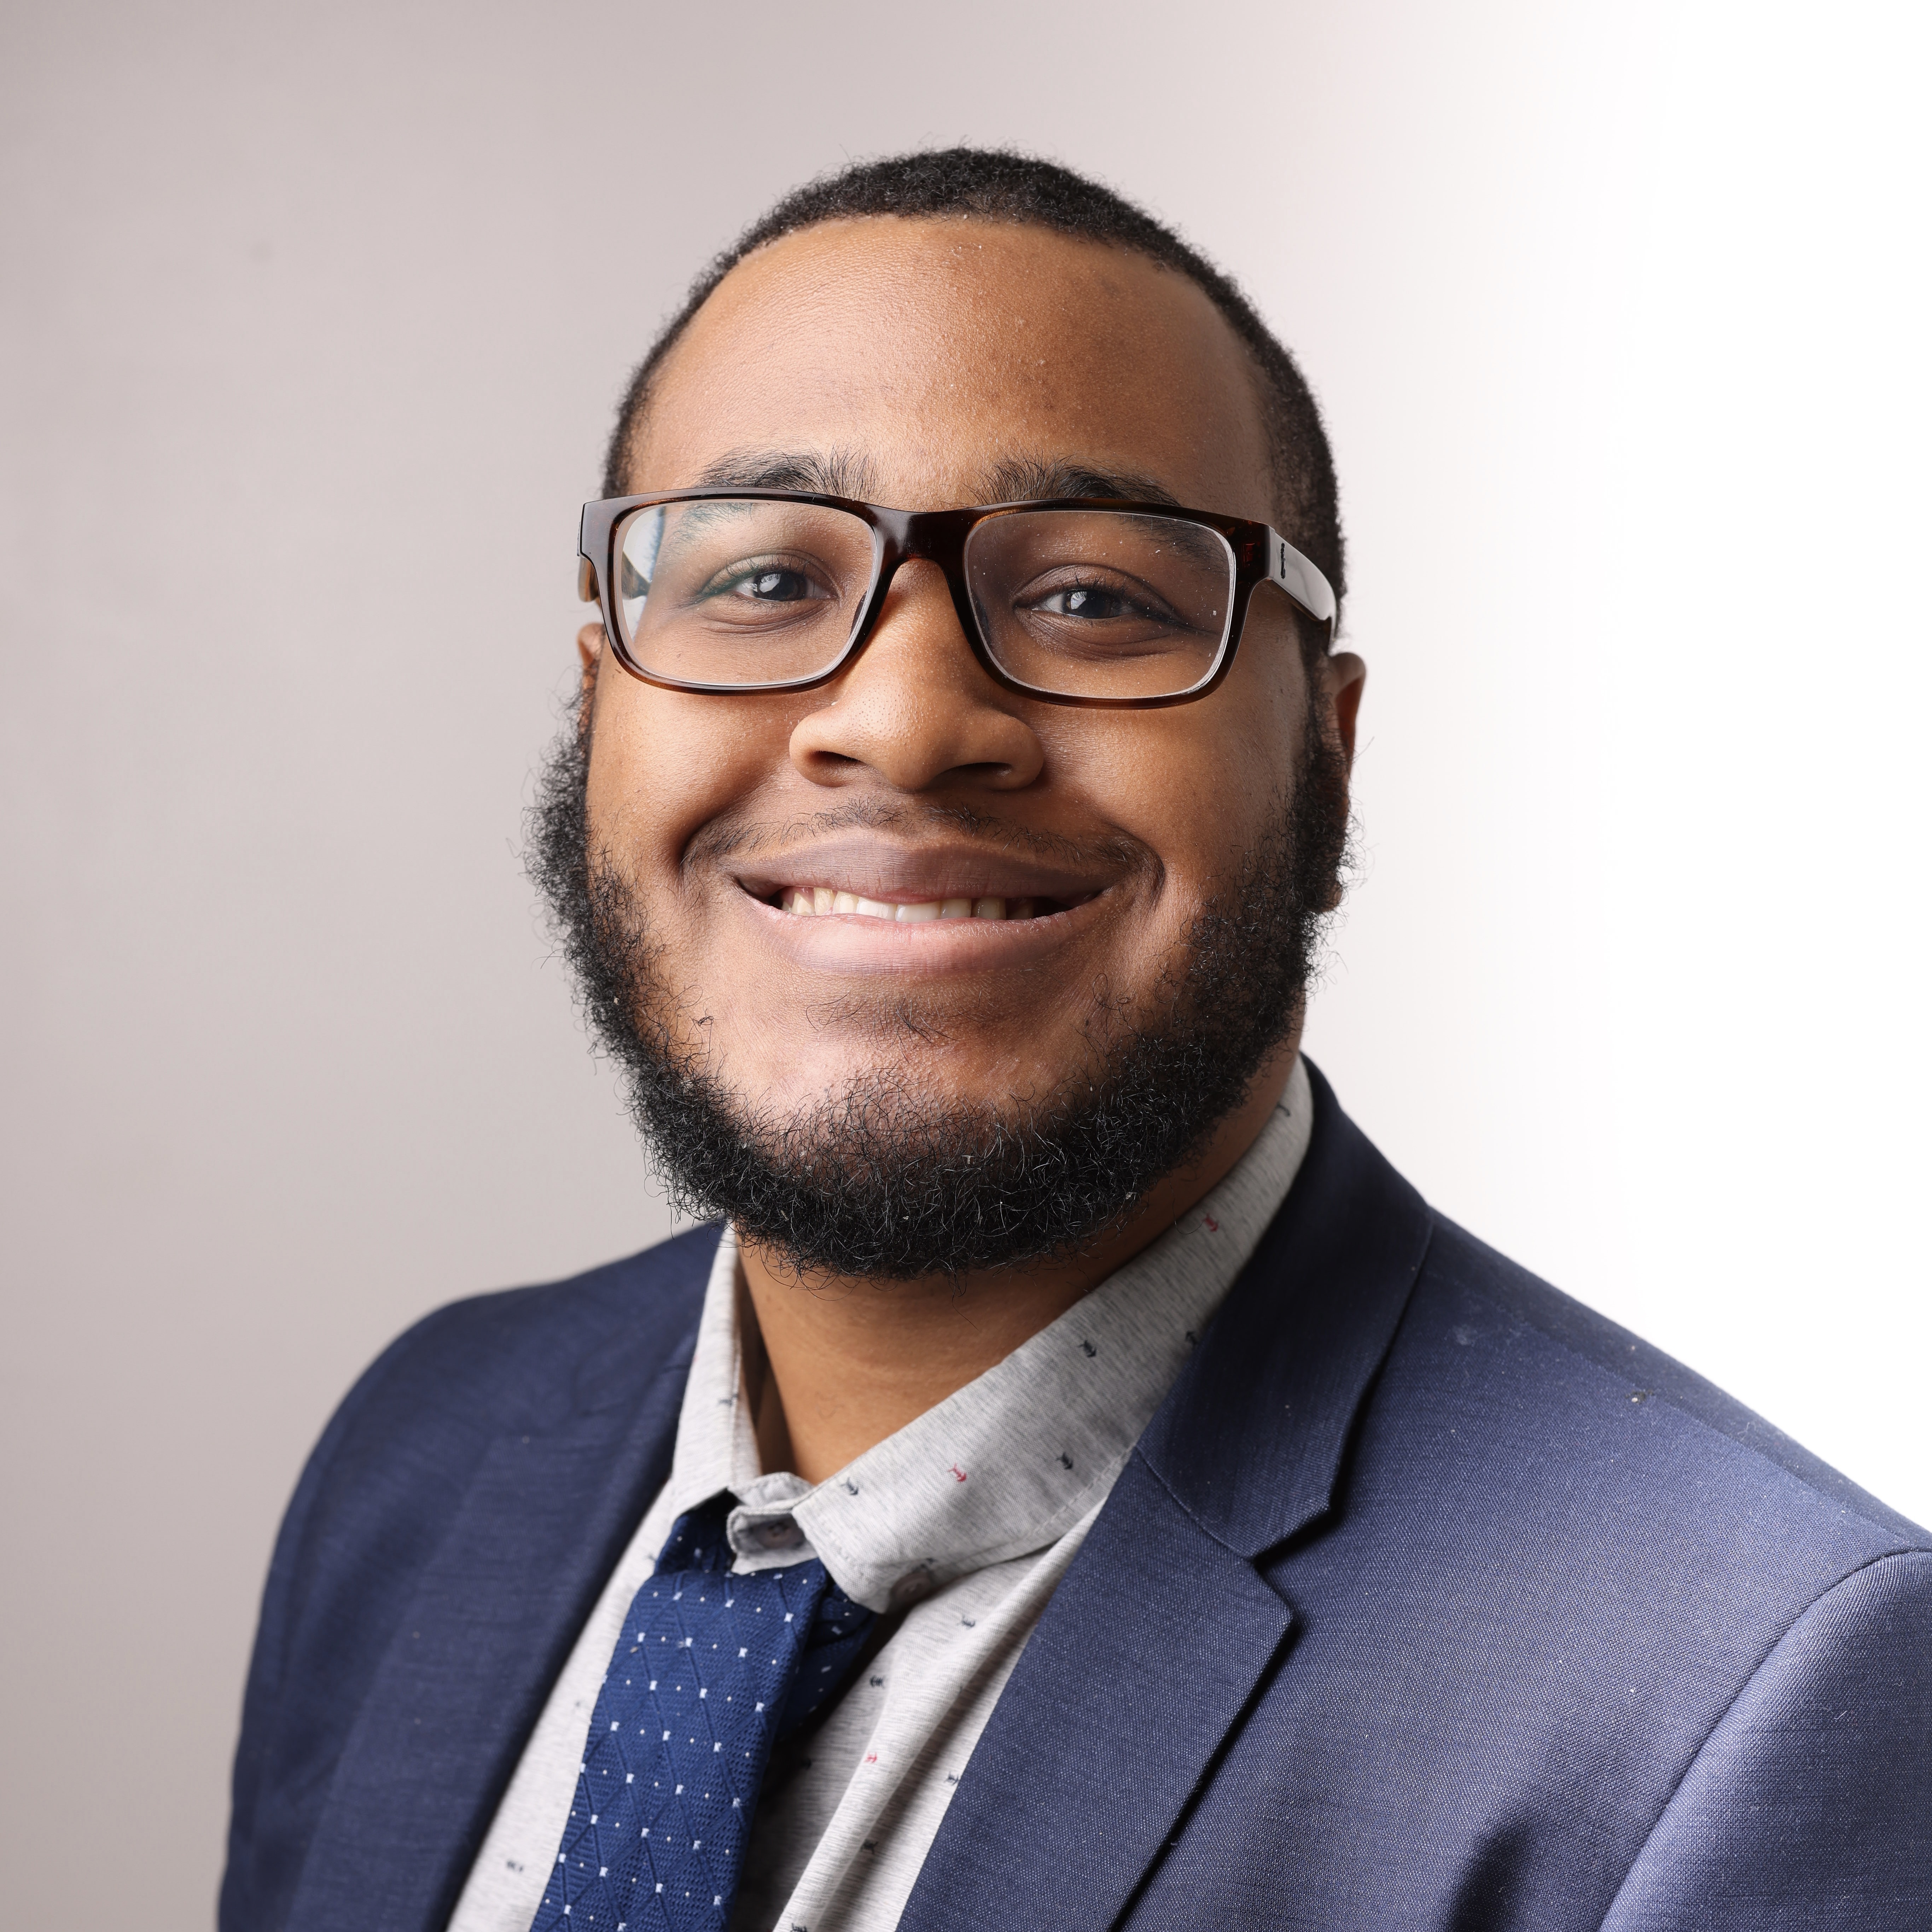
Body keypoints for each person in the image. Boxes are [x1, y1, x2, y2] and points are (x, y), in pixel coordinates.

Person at [220, 150, 1932, 1932]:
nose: (900, 723)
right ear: (601, 704)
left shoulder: (1752, 1703)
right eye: (763, 579)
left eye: (1095, 598)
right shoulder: (425, 1451)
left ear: (1326, 750)